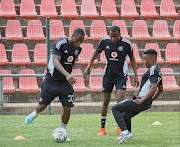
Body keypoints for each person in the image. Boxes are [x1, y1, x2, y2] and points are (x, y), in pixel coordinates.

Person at [25, 28, 85, 139]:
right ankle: (35, 113)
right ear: (72, 35)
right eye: (77, 40)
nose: (79, 43)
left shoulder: (78, 49)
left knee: (67, 108)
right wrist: (68, 74)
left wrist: (69, 73)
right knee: (42, 106)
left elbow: (72, 61)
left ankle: (62, 131)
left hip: (64, 83)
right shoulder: (60, 43)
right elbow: (55, 61)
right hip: (51, 80)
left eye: (81, 41)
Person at [83, 26, 139, 136]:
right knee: (105, 101)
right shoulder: (104, 41)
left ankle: (120, 127)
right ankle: (102, 128)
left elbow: (132, 58)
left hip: (121, 76)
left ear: (120, 35)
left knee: (120, 100)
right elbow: (96, 52)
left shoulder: (126, 44)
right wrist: (89, 66)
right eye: (112, 36)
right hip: (108, 76)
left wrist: (135, 75)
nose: (113, 39)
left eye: (116, 37)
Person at [112, 49, 163, 144]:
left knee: (115, 108)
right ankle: (129, 135)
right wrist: (150, 100)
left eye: (145, 59)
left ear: (152, 59)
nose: (143, 61)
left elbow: (154, 87)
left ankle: (125, 132)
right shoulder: (157, 70)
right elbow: (160, 89)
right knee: (126, 116)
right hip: (144, 101)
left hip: (141, 101)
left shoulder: (153, 70)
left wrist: (143, 99)